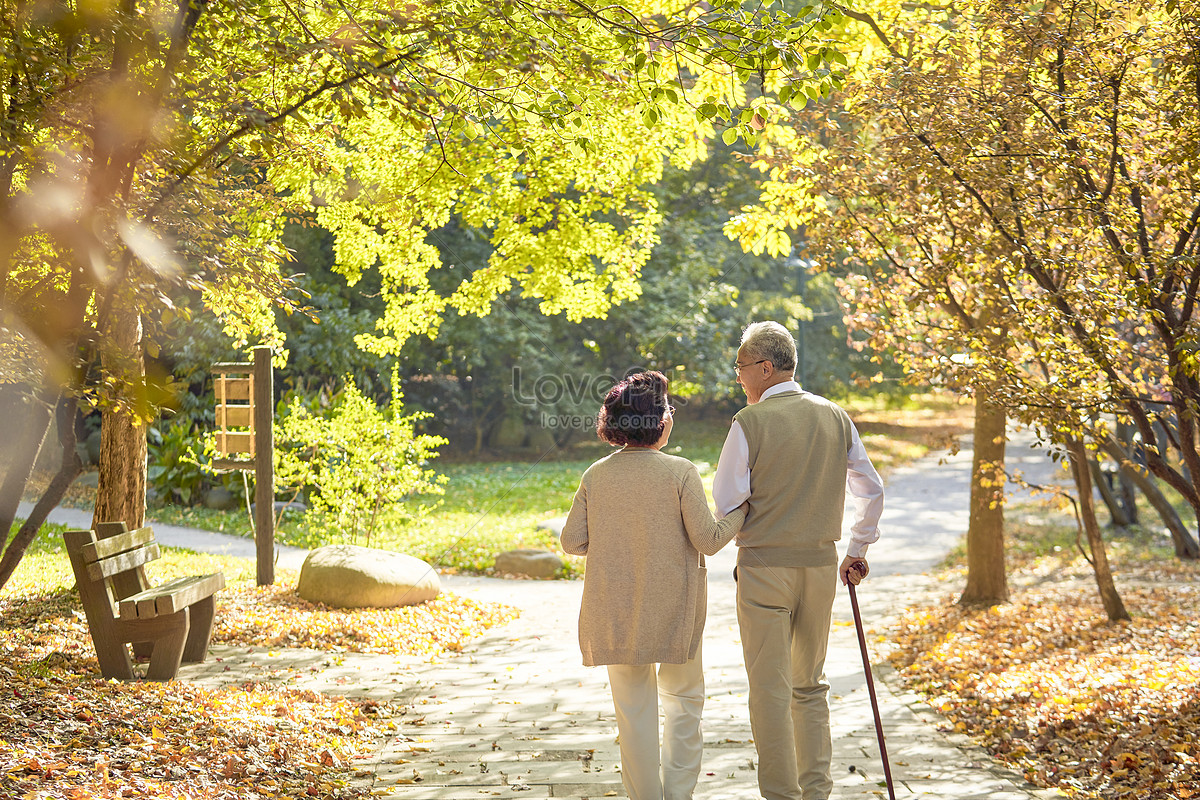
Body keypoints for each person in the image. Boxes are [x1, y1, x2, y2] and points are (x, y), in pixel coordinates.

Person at [712, 321, 885, 800]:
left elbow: (728, 499)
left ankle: (782, 796)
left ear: (766, 368)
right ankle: (816, 792)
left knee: (770, 691)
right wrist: (857, 549)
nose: (739, 377)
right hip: (819, 569)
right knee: (809, 686)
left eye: (742, 367)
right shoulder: (835, 416)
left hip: (764, 568)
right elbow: (871, 489)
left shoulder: (749, 423)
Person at [560, 370, 748, 800]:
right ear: (660, 422)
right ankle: (678, 795)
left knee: (633, 713)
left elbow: (573, 542)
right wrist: (741, 511)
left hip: (616, 611)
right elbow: (709, 540)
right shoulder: (680, 472)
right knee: (684, 704)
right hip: (675, 609)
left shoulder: (596, 475)